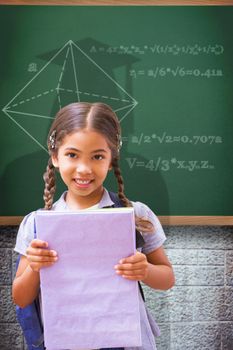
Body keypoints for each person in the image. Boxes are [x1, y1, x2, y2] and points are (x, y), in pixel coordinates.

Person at [12, 102, 175, 350]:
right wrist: (35, 267)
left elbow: (167, 279)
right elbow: (21, 298)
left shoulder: (136, 214)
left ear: (111, 160)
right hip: (65, 340)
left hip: (127, 341)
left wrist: (145, 271)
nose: (84, 169)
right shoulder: (36, 223)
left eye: (97, 156)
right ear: (55, 157)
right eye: (72, 155)